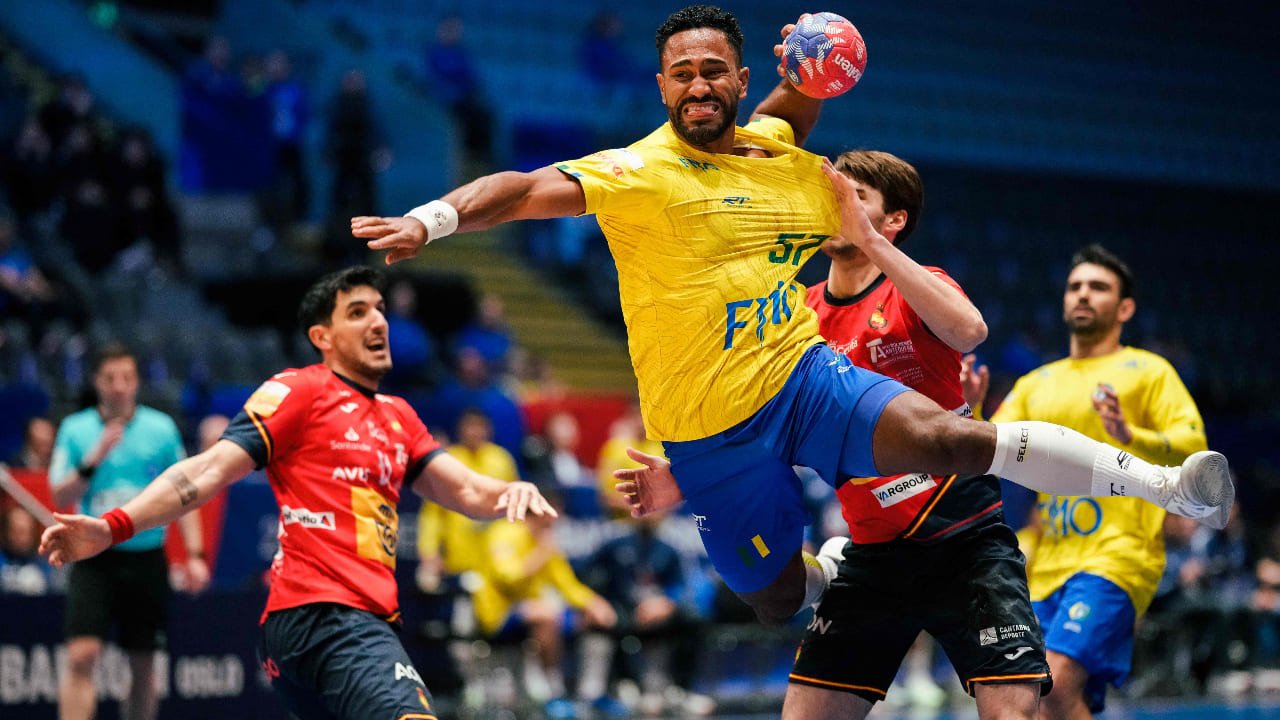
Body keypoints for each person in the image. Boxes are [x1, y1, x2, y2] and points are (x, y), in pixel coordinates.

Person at [352, 4, 1233, 626]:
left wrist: (812, 56)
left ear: (740, 78)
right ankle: (830, 574)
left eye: (714, 71)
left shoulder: (779, 152)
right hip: (707, 431)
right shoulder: (636, 174)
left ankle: (1168, 486)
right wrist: (437, 218)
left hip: (801, 376)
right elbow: (521, 190)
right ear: (661, 85)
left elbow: (796, 106)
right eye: (682, 73)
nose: (698, 85)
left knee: (951, 438)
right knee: (770, 597)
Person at [40, 267, 558, 720]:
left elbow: (464, 486)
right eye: (356, 313)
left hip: (329, 630)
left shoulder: (399, 418)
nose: (378, 322)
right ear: (322, 337)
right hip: (330, 617)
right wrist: (114, 525)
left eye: (379, 310)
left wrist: (509, 489)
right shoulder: (302, 391)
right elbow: (207, 470)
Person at [763, 149, 1045, 719]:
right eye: (831, 197)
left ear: (893, 220)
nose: (834, 208)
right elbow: (769, 416)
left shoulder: (919, 285)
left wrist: (869, 242)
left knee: (1012, 712)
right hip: (872, 554)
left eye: (854, 198)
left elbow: (969, 330)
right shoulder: (799, 311)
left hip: (966, 538)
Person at [968, 244, 1210, 718]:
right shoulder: (1036, 383)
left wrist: (1129, 433)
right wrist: (971, 410)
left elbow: (1192, 444)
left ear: (1125, 308)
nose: (1083, 294)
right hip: (1044, 565)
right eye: (1075, 286)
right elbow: (991, 450)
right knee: (1037, 700)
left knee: (1053, 686)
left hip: (1119, 557)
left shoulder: (1149, 372)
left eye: (1098, 287)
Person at [47, 343, 207, 720]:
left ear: (136, 383)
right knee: (81, 655)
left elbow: (185, 494)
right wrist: (94, 457)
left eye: (127, 378)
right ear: (96, 382)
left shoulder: (161, 429)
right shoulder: (75, 429)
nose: (119, 386)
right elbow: (59, 492)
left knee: (145, 664)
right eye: (110, 379)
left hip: (147, 559)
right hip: (93, 558)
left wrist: (197, 555)